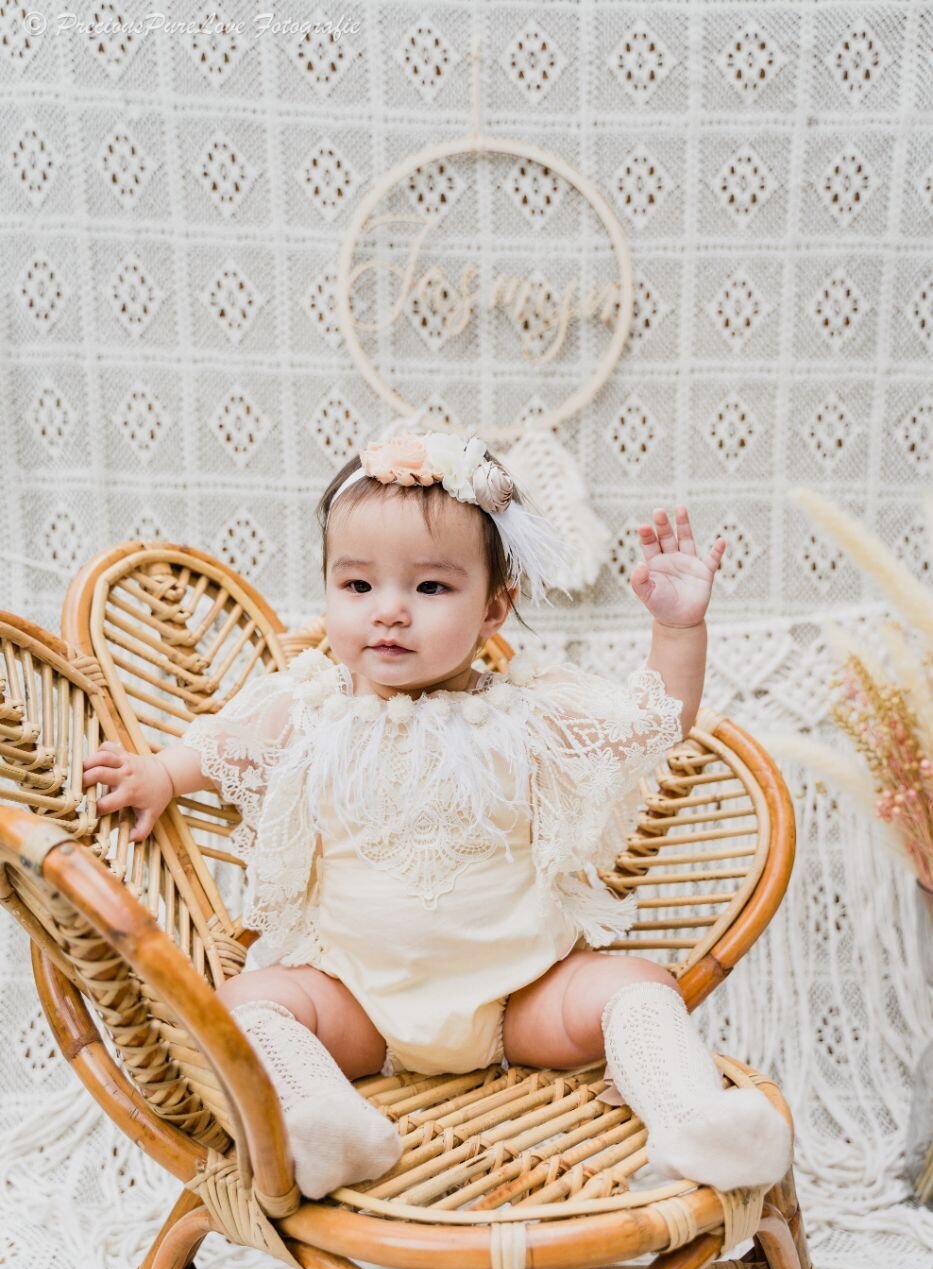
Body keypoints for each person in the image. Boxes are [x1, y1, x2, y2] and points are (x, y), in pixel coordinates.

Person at [82, 431, 792, 1201]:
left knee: (635, 982)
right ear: (325, 589)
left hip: (520, 999)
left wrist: (677, 629)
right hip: (359, 1004)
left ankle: (693, 1120)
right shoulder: (310, 709)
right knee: (253, 1003)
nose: (388, 612)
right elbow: (219, 748)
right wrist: (157, 774)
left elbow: (653, 724)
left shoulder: (527, 715)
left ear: (494, 608)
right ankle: (323, 1122)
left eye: (428, 589)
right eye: (357, 586)